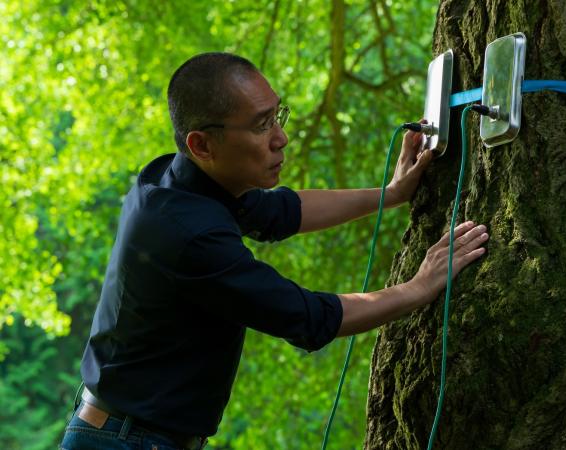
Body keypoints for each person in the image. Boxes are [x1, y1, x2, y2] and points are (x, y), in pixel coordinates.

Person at [59, 52, 488, 450]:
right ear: (202, 145)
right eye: (262, 125)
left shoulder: (181, 182)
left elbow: (283, 211)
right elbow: (307, 316)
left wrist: (390, 194)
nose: (281, 138)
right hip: (125, 441)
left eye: (277, 116)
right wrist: (421, 286)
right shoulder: (187, 235)